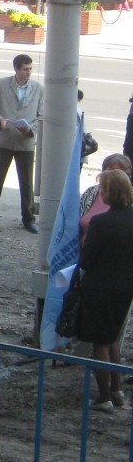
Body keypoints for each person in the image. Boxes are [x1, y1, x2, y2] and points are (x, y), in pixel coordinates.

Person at [76, 171, 133, 412]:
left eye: (103, 190)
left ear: (110, 192)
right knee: (112, 340)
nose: (100, 193)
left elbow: (86, 260)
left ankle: (103, 396)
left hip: (100, 288)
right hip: (125, 288)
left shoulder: (101, 223)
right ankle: (117, 390)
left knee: (100, 342)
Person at [0, 54, 44, 234]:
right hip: (3, 140)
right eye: (25, 69)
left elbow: (42, 116)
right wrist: (0, 121)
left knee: (26, 183)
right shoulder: (1, 84)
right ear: (16, 69)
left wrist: (31, 129)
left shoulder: (38, 88)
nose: (28, 72)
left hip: (25, 142)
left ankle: (28, 218)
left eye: (30, 69)